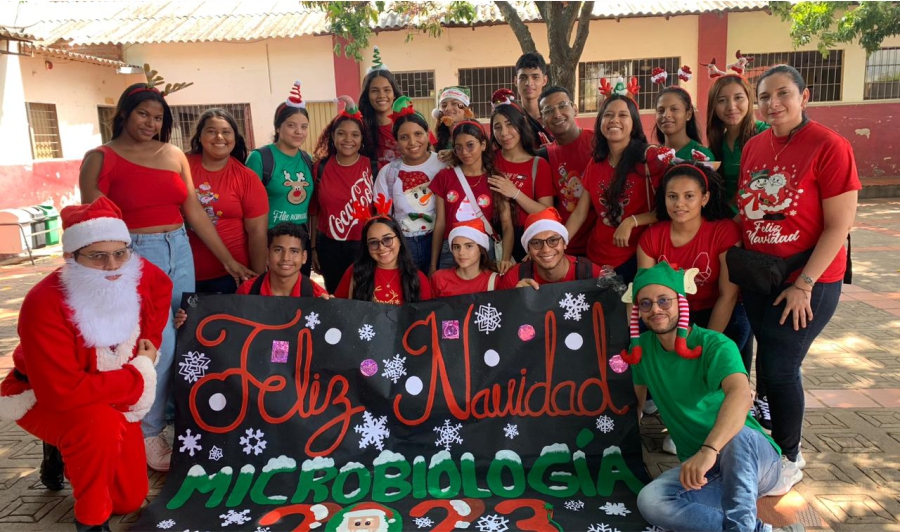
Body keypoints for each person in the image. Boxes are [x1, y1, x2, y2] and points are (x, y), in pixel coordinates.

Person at [78, 81, 254, 471]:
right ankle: (147, 433)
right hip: (135, 255)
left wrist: (228, 261)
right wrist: (113, 269)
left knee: (184, 333)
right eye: (143, 114)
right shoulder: (100, 158)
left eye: (159, 117)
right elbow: (93, 224)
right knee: (154, 344)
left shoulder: (173, 154)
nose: (151, 123)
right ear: (123, 113)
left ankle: (172, 423)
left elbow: (194, 212)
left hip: (179, 249)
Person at [0, 197, 172, 532]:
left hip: (111, 389)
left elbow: (160, 292)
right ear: (71, 256)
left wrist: (146, 347)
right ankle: (90, 521)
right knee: (98, 425)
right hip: (44, 396)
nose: (112, 265)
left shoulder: (133, 271)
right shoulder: (42, 303)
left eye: (120, 252)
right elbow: (61, 393)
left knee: (129, 500)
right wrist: (140, 372)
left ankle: (65, 450)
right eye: (97, 256)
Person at [737, 64, 859, 481]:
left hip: (808, 281)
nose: (774, 104)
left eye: (783, 94)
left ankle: (789, 459)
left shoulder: (829, 146)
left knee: (780, 368)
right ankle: (768, 437)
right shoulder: (755, 146)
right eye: (765, 97)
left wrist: (805, 284)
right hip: (760, 277)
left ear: (804, 97)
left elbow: (839, 225)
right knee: (768, 363)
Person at [622, 262, 804, 532]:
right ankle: (755, 529)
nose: (656, 309)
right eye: (646, 304)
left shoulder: (714, 344)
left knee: (738, 436)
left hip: (751, 458)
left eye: (663, 300)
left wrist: (709, 450)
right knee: (651, 502)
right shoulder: (641, 351)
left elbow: (741, 395)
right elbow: (635, 407)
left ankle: (740, 527)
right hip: (702, 470)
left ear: (680, 302)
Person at [637, 162, 751, 456]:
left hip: (715, 310)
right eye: (672, 196)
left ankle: (716, 431)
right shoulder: (652, 236)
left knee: (712, 371)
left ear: (705, 198)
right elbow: (644, 293)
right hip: (669, 313)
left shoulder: (724, 231)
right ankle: (675, 419)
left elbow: (728, 294)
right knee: (667, 362)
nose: (680, 204)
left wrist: (704, 346)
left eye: (689, 196)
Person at [564, 94, 669, 283]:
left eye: (623, 115)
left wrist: (631, 221)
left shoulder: (650, 158)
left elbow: (669, 209)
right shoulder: (595, 163)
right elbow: (580, 213)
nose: (614, 120)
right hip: (596, 259)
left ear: (634, 123)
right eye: (608, 115)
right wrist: (558, 243)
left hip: (637, 259)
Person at [187, 108, 268, 294]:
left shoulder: (246, 178)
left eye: (226, 132)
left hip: (231, 277)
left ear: (235, 138)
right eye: (211, 131)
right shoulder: (183, 165)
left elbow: (257, 233)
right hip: (184, 273)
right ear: (199, 136)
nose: (219, 137)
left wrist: (257, 281)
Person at [309, 96, 376, 294]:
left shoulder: (373, 167)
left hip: (365, 246)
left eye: (355, 134)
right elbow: (314, 211)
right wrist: (313, 249)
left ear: (362, 139)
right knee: (336, 297)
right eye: (341, 134)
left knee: (364, 298)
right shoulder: (320, 167)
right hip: (329, 247)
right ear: (332, 136)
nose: (348, 139)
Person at [429, 121, 515, 275]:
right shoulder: (444, 177)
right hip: (451, 249)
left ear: (483, 145)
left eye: (470, 145)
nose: (464, 152)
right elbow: (440, 223)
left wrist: (505, 258)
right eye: (458, 147)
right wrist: (433, 265)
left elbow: (507, 224)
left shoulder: (495, 179)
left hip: (484, 250)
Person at [374, 96, 444, 273]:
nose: (413, 142)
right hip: (403, 246)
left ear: (428, 134)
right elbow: (383, 219)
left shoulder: (444, 164)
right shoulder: (388, 173)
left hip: (441, 242)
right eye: (404, 137)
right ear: (396, 141)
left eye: (418, 134)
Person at [489, 89, 555, 262]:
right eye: (497, 127)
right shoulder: (488, 161)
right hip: (492, 237)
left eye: (510, 124)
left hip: (530, 238)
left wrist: (515, 193)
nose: (504, 133)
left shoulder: (538, 164)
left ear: (522, 123)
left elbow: (547, 211)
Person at [246, 81, 315, 233]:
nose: (299, 131)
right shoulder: (260, 158)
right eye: (291, 125)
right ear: (277, 127)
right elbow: (247, 207)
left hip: (300, 240)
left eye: (304, 127)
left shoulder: (308, 159)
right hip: (270, 239)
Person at [536, 86, 597, 257]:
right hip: (565, 248)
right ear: (542, 120)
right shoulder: (544, 156)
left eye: (562, 105)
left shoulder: (600, 143)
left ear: (575, 109)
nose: (557, 114)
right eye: (549, 110)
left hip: (601, 246)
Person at [335, 212, 432, 303]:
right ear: (366, 246)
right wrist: (327, 302)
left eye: (387, 239)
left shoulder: (418, 278)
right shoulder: (355, 272)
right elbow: (338, 310)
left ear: (399, 240)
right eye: (373, 242)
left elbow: (428, 317)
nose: (381, 247)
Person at [706, 74, 770, 212]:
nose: (731, 106)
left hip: (760, 218)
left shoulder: (767, 134)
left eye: (738, 98)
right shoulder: (715, 146)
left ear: (750, 99)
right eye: (722, 100)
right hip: (725, 221)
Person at [499, 207, 602, 290]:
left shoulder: (591, 273)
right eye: (536, 243)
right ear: (528, 250)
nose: (546, 249)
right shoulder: (514, 278)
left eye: (553, 240)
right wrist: (516, 299)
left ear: (564, 243)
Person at [430, 219, 500, 297]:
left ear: (481, 249)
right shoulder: (439, 278)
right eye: (456, 247)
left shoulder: (495, 281)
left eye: (468, 246)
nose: (461, 252)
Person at [359, 50, 403, 168]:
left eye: (387, 90)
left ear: (394, 94)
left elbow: (431, 154)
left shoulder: (411, 122)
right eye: (374, 91)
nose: (381, 95)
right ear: (367, 95)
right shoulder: (360, 128)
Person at [653, 85, 715, 162]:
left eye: (674, 109)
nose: (666, 115)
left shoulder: (702, 155)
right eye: (661, 110)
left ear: (688, 114)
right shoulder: (652, 155)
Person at [514, 51, 554, 147]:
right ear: (516, 81)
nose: (529, 83)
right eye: (523, 78)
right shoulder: (512, 119)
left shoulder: (555, 116)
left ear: (544, 80)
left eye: (535, 77)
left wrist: (553, 149)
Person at [433, 86, 475, 152]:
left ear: (466, 109)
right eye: (444, 106)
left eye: (454, 103)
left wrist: (453, 155)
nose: (448, 108)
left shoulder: (476, 135)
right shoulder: (437, 140)